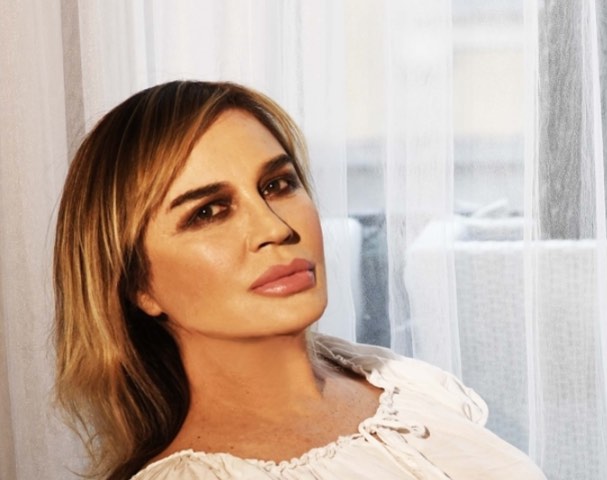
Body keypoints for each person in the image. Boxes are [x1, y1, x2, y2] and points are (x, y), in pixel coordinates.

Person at [54, 80, 546, 480]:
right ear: (138, 286)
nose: (276, 228)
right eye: (208, 212)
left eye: (277, 185)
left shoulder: (403, 386)